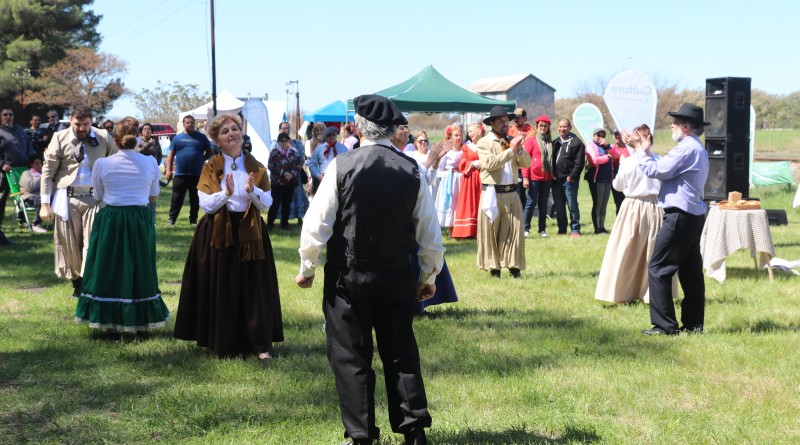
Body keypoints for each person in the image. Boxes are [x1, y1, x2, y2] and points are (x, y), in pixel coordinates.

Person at [296, 94, 443, 445]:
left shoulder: (342, 165)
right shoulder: (410, 168)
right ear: (391, 130)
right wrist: (428, 275)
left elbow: (317, 223)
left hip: (349, 275)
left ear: (358, 127)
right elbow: (430, 231)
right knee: (400, 350)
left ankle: (360, 435)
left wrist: (308, 266)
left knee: (350, 355)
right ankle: (414, 430)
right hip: (396, 275)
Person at [173, 114, 283, 361]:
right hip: (217, 232)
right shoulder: (210, 166)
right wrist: (226, 193)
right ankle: (222, 342)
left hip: (250, 232)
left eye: (234, 129)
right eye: (225, 131)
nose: (231, 133)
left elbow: (266, 203)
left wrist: (251, 191)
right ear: (216, 140)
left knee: (253, 288)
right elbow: (205, 205)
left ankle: (259, 344)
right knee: (221, 287)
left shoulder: (256, 166)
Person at [75, 117, 169, 332]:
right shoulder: (150, 162)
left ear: (115, 140)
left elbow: (98, 196)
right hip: (139, 218)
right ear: (137, 138)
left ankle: (108, 321)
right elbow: (154, 196)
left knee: (109, 266)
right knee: (140, 266)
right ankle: (140, 320)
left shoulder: (102, 164)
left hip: (111, 218)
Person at [633, 103, 710, 335]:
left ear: (686, 127)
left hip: (680, 214)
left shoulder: (686, 149)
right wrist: (646, 151)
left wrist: (639, 150)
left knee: (659, 267)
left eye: (676, 122)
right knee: (690, 270)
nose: (672, 126)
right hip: (693, 215)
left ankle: (664, 325)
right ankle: (694, 324)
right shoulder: (695, 147)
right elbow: (664, 166)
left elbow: (657, 171)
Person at [39, 103, 117, 296]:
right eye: (77, 124)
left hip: (95, 198)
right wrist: (44, 204)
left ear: (92, 121)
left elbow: (115, 164)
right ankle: (77, 285)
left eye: (86, 124)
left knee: (93, 243)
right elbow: (47, 173)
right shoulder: (59, 138)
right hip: (67, 199)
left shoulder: (103, 136)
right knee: (70, 244)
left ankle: (91, 283)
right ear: (71, 121)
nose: (81, 128)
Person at [595, 124, 676, 304]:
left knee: (627, 249)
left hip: (634, 206)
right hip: (654, 207)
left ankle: (623, 292)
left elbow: (618, 186)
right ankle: (650, 293)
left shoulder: (629, 162)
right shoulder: (659, 160)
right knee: (652, 250)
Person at [476, 105, 531, 278]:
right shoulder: (484, 142)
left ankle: (514, 267)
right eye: (501, 121)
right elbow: (490, 163)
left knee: (515, 230)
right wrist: (511, 150)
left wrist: (519, 150)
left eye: (507, 120)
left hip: (512, 193)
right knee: (491, 232)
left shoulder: (511, 140)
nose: (505, 124)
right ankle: (494, 269)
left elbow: (527, 163)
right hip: (491, 192)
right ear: (491, 123)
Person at [164, 115, 212, 226]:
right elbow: (170, 154)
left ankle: (193, 220)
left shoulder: (202, 137)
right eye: (188, 122)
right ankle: (172, 219)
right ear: (184, 124)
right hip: (180, 174)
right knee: (176, 198)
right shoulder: (177, 138)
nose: (190, 124)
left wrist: (201, 159)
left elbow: (209, 151)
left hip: (197, 174)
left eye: (192, 122)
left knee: (195, 198)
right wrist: (168, 170)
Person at [1, 106, 36, 245]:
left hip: (23, 172)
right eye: (5, 115)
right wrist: (2, 164)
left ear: (13, 116)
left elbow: (29, 146)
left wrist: (33, 160)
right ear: (1, 117)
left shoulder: (20, 130)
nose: (8, 117)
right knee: (1, 200)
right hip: (5, 172)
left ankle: (25, 221)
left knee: (25, 197)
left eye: (10, 114)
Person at [521, 115, 555, 238]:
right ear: (537, 126)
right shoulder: (531, 141)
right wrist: (525, 177)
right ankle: (525, 228)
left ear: (548, 127)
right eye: (541, 126)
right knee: (530, 203)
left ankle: (542, 229)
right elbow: (525, 160)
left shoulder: (550, 142)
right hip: (533, 178)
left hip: (547, 178)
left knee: (543, 204)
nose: (543, 128)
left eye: (545, 126)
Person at [551, 119, 585, 238]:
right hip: (556, 181)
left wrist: (572, 176)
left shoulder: (577, 142)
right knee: (559, 207)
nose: (562, 129)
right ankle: (562, 229)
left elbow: (579, 162)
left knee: (572, 206)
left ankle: (575, 229)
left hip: (569, 181)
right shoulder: (555, 143)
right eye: (560, 126)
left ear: (570, 127)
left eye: (565, 126)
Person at [269, 121, 308, 225]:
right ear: (279, 130)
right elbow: (271, 165)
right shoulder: (274, 147)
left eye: (287, 128)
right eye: (283, 128)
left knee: (290, 200)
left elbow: (300, 160)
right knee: (276, 202)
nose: (286, 130)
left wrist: (292, 174)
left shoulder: (296, 144)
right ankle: (271, 223)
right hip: (277, 181)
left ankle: (289, 221)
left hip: (292, 180)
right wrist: (283, 173)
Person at [452, 123, 483, 239]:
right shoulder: (467, 146)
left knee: (482, 202)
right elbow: (462, 163)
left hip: (483, 177)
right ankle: (468, 231)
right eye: (468, 132)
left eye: (471, 131)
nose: (469, 134)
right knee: (470, 203)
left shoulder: (485, 144)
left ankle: (482, 230)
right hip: (470, 179)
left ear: (479, 131)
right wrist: (473, 163)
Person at [434, 123, 463, 237]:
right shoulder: (447, 152)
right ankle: (451, 231)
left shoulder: (464, 149)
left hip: (461, 178)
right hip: (450, 179)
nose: (458, 138)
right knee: (451, 203)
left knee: (459, 203)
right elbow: (440, 168)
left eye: (460, 135)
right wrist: (447, 176)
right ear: (451, 136)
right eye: (456, 135)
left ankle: (460, 230)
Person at [585, 128, 614, 234]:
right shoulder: (590, 146)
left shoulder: (606, 147)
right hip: (597, 179)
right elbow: (595, 160)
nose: (600, 137)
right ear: (594, 135)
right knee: (598, 203)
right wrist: (607, 157)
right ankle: (597, 228)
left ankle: (602, 226)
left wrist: (608, 146)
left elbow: (616, 155)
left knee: (604, 204)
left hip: (608, 178)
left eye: (602, 135)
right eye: (598, 135)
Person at [309, 126, 348, 195]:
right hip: (323, 179)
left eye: (333, 135)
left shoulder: (343, 148)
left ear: (336, 135)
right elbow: (312, 164)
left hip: (339, 178)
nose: (332, 137)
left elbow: (348, 162)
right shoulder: (319, 149)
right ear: (326, 136)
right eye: (329, 135)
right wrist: (318, 176)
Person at [18, 154, 46, 233]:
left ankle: (57, 223)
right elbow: (31, 187)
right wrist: (40, 178)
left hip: (41, 195)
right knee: (43, 200)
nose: (40, 165)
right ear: (31, 164)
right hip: (28, 197)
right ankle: (36, 224)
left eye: (40, 163)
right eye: (37, 163)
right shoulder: (26, 174)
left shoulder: (43, 173)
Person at [608, 129, 631, 215]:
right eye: (615, 134)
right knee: (619, 202)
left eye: (619, 134)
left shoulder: (629, 148)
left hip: (629, 176)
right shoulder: (611, 148)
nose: (617, 136)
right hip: (616, 175)